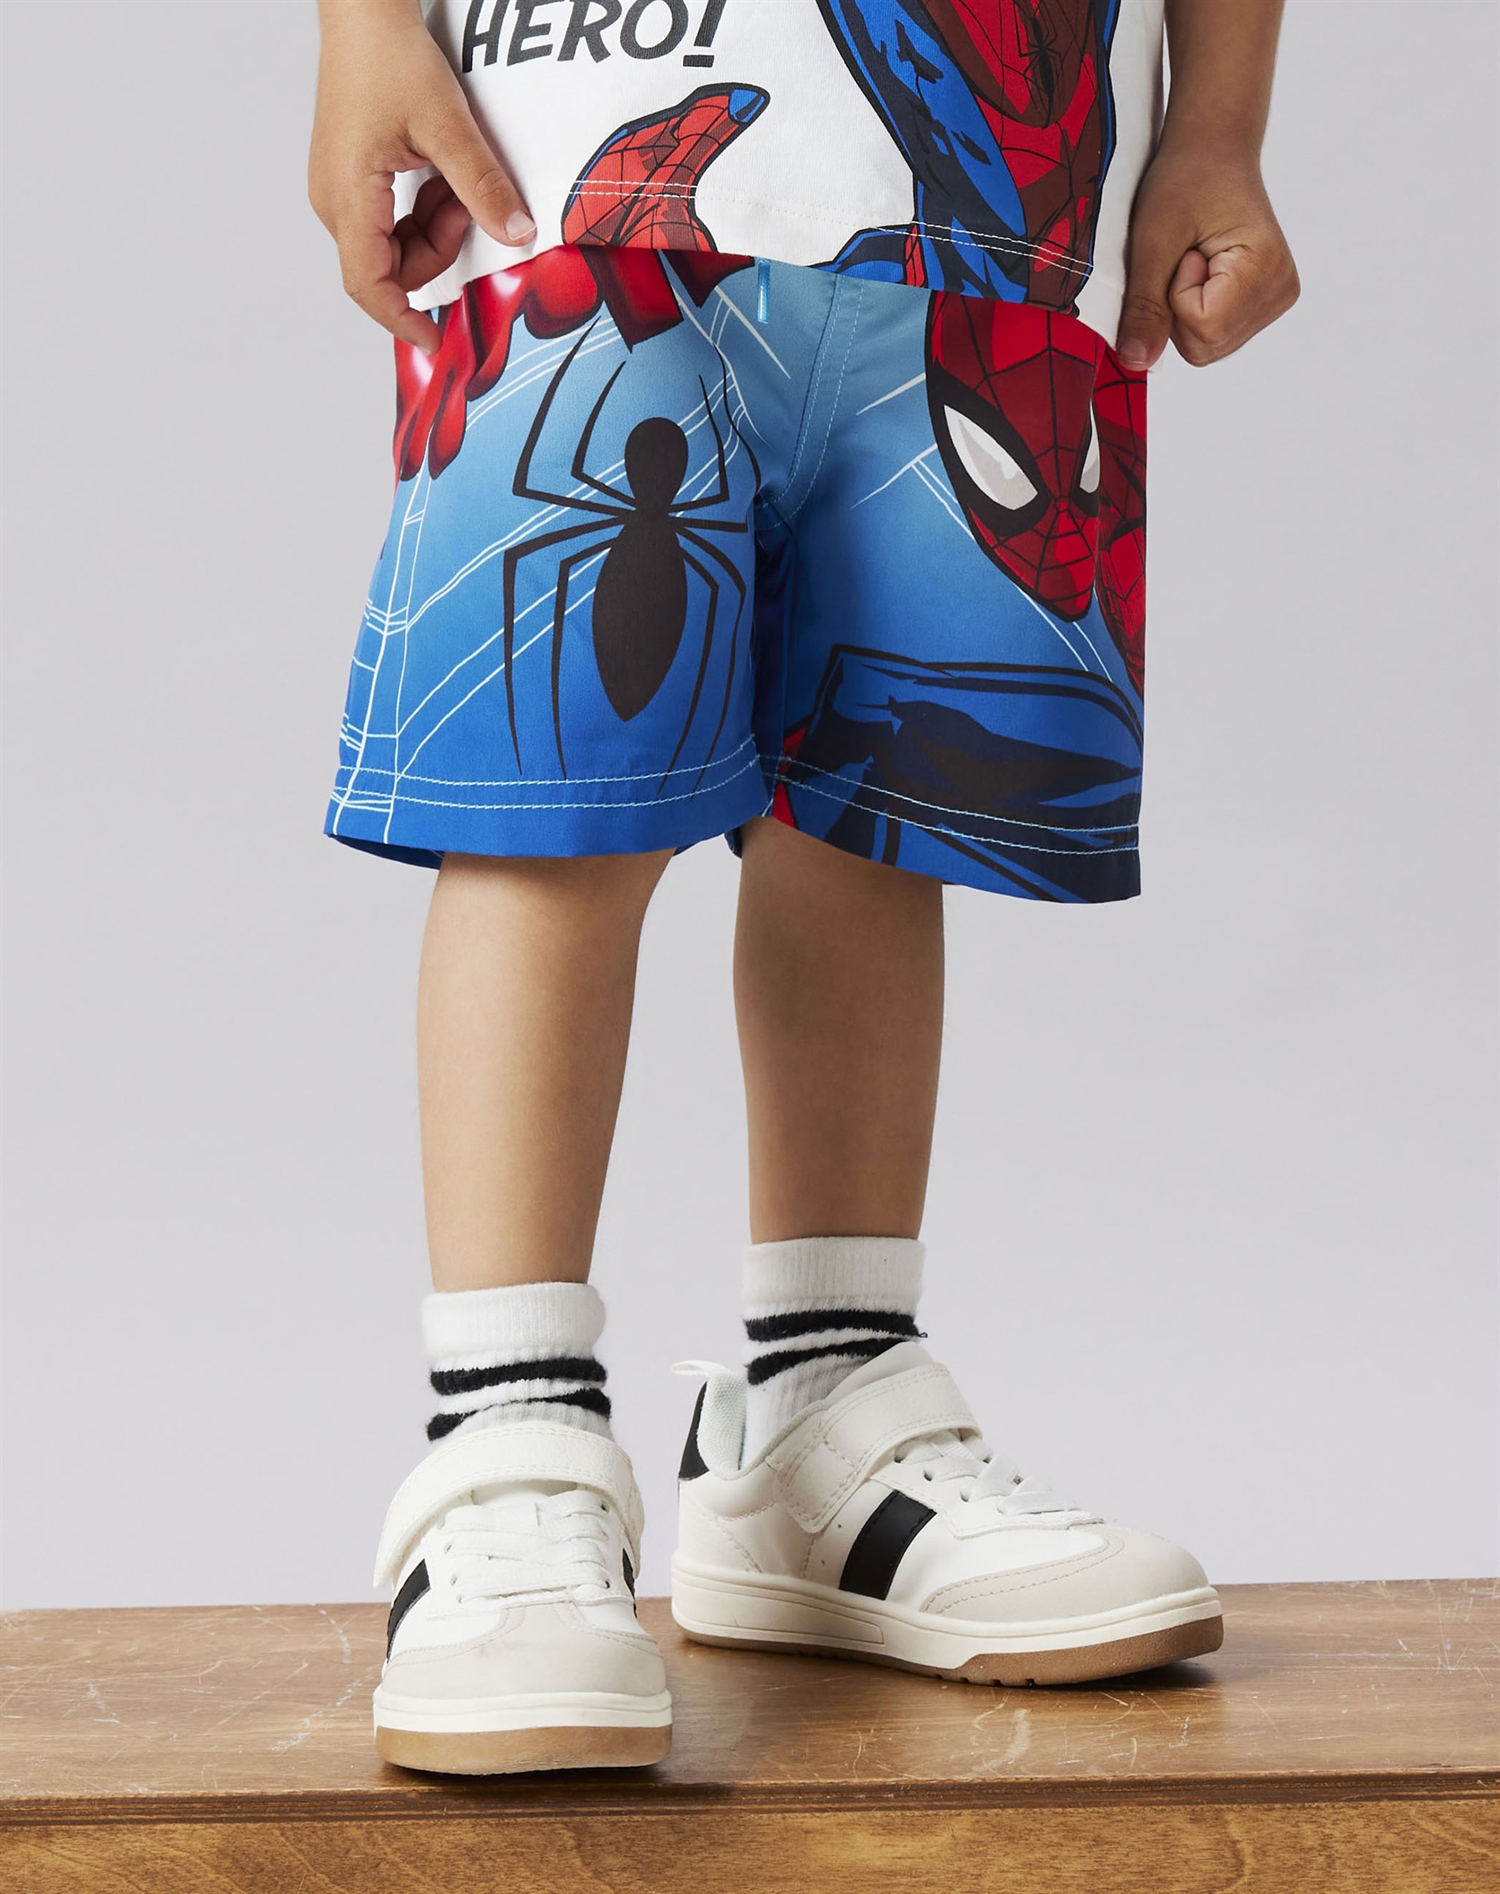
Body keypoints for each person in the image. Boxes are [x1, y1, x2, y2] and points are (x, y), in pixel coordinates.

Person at [310, 0, 1298, 1775]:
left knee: (879, 787)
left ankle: (825, 1406)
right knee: (554, 795)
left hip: (1005, 190)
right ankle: (506, 1441)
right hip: (579, 122)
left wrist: (1218, 120)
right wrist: (367, 28)